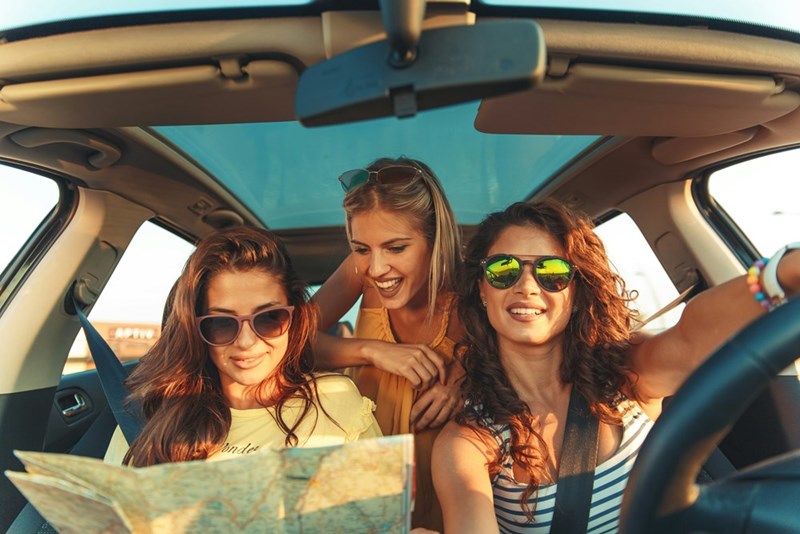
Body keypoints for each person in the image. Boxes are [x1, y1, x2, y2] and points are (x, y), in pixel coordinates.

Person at [432, 200, 800, 533]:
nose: (527, 286)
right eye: (504, 269)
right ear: (482, 289)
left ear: (577, 293)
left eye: (552, 272)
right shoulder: (469, 442)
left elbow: (691, 335)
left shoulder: (623, 373)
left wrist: (779, 275)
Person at [104, 226, 381, 467]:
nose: (247, 342)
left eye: (269, 318)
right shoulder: (150, 416)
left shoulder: (334, 400)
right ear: (196, 329)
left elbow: (381, 507)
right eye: (222, 323)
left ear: (293, 317)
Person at [312, 157, 465, 531]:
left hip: (448, 490)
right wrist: (371, 350)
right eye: (361, 248)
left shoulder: (474, 293)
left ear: (435, 239)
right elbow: (284, 342)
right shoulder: (359, 273)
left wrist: (468, 379)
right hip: (365, 480)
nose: (376, 268)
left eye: (396, 248)